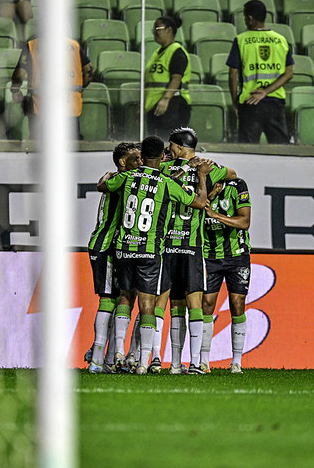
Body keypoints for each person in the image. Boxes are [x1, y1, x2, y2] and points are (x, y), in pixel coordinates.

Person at [98, 135, 211, 375]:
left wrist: (106, 177)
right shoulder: (166, 182)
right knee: (147, 304)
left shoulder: (126, 177)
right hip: (150, 251)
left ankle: (118, 351)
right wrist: (200, 176)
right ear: (162, 157)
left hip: (124, 247)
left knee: (125, 299)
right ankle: (142, 362)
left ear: (141, 157)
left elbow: (103, 186)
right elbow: (200, 203)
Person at [158, 127, 236, 374]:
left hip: (167, 245)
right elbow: (233, 174)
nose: (168, 150)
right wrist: (207, 168)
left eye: (171, 146)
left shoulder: (164, 169)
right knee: (194, 305)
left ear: (179, 147)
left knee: (165, 304)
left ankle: (162, 362)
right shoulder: (209, 169)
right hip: (193, 247)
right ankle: (195, 363)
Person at [86, 142, 142, 374]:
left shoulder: (115, 179)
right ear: (122, 162)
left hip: (115, 247)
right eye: (135, 159)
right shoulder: (122, 182)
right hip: (106, 245)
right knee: (109, 298)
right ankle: (97, 359)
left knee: (121, 299)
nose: (140, 163)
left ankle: (106, 358)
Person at [201, 177, 253, 374]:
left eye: (209, 191)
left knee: (237, 303)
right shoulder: (199, 195)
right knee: (206, 304)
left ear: (217, 185)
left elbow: (244, 222)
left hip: (237, 256)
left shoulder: (237, 186)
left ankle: (237, 361)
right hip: (209, 256)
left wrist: (214, 214)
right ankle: (204, 361)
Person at [226, 0, 294, 144]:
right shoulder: (281, 40)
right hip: (275, 102)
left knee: (248, 151)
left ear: (250, 19)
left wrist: (234, 101)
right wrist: (266, 91)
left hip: (250, 103)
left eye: (245, 18)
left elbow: (233, 73)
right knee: (281, 150)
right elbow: (289, 73)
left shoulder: (241, 40)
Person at [10, 37, 94, 137]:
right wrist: (80, 88)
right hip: (69, 108)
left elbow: (19, 75)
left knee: (41, 147)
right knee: (71, 146)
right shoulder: (74, 45)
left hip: (42, 108)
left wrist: (15, 90)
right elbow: (90, 70)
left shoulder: (33, 45)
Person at [144, 16, 191, 140]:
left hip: (171, 107)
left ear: (169, 30)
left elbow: (176, 78)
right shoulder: (157, 53)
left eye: (157, 28)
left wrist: (165, 99)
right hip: (155, 106)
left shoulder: (177, 52)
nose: (154, 32)